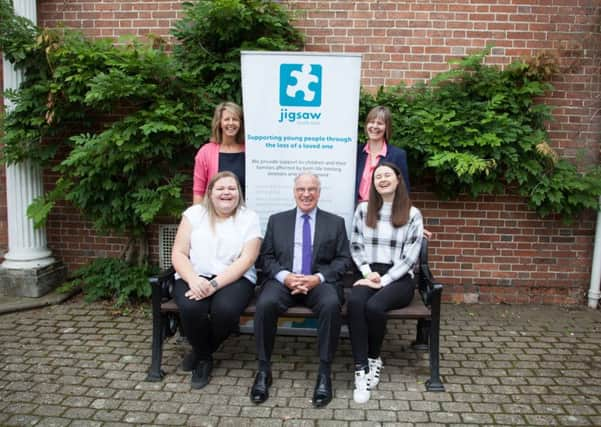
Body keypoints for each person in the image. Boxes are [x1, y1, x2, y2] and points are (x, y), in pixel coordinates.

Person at [250, 172, 352, 408]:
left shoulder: (335, 222)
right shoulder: (277, 220)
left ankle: (325, 372)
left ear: (319, 192)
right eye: (301, 189)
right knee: (264, 305)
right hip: (285, 282)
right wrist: (285, 277)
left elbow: (344, 259)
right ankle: (264, 370)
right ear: (294, 192)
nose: (306, 194)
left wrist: (317, 278)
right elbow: (266, 257)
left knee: (330, 305)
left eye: (312, 189)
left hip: (319, 283)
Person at [171, 171, 261, 389]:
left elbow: (248, 258)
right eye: (221, 188)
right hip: (193, 274)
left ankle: (201, 351)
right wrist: (193, 279)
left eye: (232, 188)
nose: (226, 193)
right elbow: (179, 252)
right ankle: (205, 359)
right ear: (210, 192)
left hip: (235, 278)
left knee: (226, 310)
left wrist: (213, 286)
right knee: (192, 308)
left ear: (239, 193)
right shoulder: (194, 214)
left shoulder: (249, 218)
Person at [348, 162, 424, 403]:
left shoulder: (412, 214)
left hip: (399, 278)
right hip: (369, 273)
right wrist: (367, 273)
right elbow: (356, 244)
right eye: (377, 176)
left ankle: (374, 358)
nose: (382, 179)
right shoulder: (363, 209)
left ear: (398, 179)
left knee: (374, 307)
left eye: (387, 175)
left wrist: (385, 280)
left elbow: (411, 255)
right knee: (355, 303)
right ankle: (360, 368)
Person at [193, 102, 246, 204]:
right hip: (215, 216)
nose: (231, 123)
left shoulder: (250, 151)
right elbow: (198, 192)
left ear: (240, 123)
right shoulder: (205, 152)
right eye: (226, 119)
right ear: (219, 123)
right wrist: (197, 218)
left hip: (245, 215)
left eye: (235, 119)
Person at [355, 105, 410, 203]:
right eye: (371, 122)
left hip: (384, 211)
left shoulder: (397, 155)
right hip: (357, 211)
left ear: (386, 127)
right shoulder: (356, 152)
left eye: (379, 123)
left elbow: (404, 190)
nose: (374, 126)